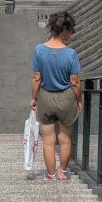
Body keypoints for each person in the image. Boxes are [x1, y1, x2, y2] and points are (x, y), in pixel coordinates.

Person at [30, 10, 82, 180]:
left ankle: (51, 174)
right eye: (71, 30)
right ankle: (62, 172)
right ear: (65, 30)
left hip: (46, 97)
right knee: (65, 139)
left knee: (48, 140)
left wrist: (34, 98)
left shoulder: (39, 50)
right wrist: (79, 100)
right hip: (66, 98)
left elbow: (36, 78)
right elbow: (74, 81)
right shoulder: (70, 53)